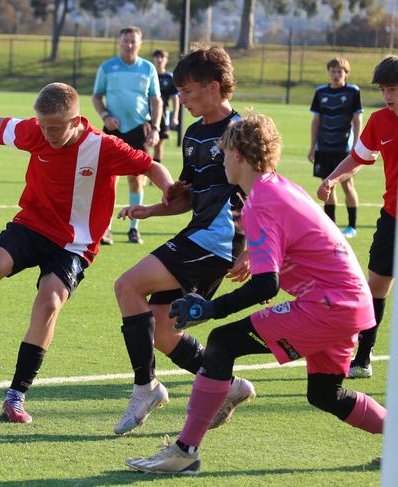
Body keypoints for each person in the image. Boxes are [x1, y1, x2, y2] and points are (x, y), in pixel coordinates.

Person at [0, 82, 175, 424]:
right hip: (31, 224)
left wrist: (167, 189)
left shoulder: (103, 147)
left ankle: (16, 396)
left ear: (77, 121)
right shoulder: (37, 132)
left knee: (50, 301)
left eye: (55, 128)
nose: (47, 134)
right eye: (43, 126)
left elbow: (151, 166)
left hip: (74, 244)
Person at [126, 113, 384, 474]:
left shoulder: (261, 199)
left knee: (222, 342)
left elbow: (266, 285)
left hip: (330, 305)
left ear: (241, 156)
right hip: (346, 304)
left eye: (225, 151)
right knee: (325, 394)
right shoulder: (275, 188)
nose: (222, 158)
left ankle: (183, 452)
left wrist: (208, 309)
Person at [112, 46, 254, 437]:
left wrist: (257, 249)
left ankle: (146, 388)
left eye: (188, 92)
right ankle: (227, 385)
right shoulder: (192, 135)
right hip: (199, 235)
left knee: (127, 285)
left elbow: (264, 193)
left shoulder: (242, 131)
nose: (183, 100)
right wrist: (153, 210)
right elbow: (191, 195)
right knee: (161, 331)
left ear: (213, 87)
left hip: (221, 240)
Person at [318, 55, 398, 380]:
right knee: (376, 285)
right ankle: (363, 358)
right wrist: (332, 179)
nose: (388, 95)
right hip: (392, 216)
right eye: (383, 89)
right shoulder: (379, 121)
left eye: (393, 88)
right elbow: (358, 156)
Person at [92, 26, 163, 245]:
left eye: (133, 41)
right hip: (113, 130)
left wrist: (156, 127)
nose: (129, 45)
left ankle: (134, 228)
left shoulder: (148, 68)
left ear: (140, 44)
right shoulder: (107, 67)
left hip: (138, 130)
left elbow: (156, 100)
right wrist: (105, 116)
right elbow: (96, 96)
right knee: (108, 180)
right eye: (125, 41)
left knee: (136, 180)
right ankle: (106, 229)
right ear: (119, 42)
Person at [308, 57, 362, 238]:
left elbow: (357, 119)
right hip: (324, 148)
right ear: (329, 72)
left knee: (348, 185)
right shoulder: (320, 92)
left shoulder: (353, 91)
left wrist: (356, 145)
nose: (336, 75)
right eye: (333, 71)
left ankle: (352, 226)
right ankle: (331, 227)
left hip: (344, 149)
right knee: (327, 186)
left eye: (340, 71)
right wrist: (312, 146)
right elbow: (316, 121)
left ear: (346, 73)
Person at [152, 49, 180, 168]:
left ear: (166, 60)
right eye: (157, 57)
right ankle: (142, 175)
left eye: (162, 57)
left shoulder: (169, 78)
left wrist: (174, 116)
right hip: (146, 116)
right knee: (144, 146)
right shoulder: (149, 74)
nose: (159, 60)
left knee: (159, 146)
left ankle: (155, 174)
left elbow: (175, 99)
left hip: (163, 116)